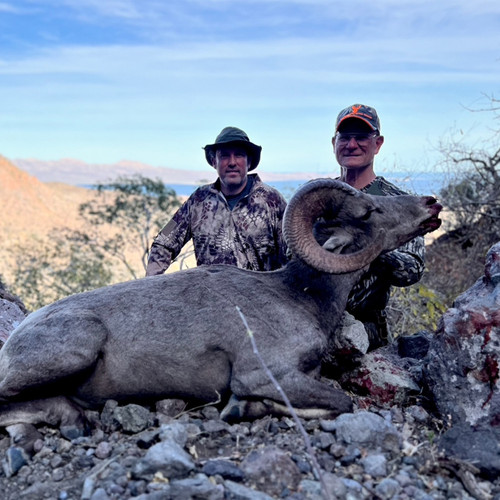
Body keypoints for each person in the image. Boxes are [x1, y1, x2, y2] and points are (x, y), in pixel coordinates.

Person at [331, 104, 425, 350]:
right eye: (345, 137)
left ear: (378, 143)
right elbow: (291, 254)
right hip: (313, 318)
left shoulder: (398, 202)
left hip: (368, 330)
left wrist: (374, 245)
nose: (352, 145)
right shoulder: (320, 197)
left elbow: (412, 271)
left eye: (361, 137)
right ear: (334, 143)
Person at [146, 126, 288, 275]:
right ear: (214, 161)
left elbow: (292, 255)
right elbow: (164, 239)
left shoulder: (272, 200)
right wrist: (150, 282)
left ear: (249, 162)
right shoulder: (198, 200)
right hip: (210, 296)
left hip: (261, 295)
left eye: (239, 155)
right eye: (224, 156)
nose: (232, 162)